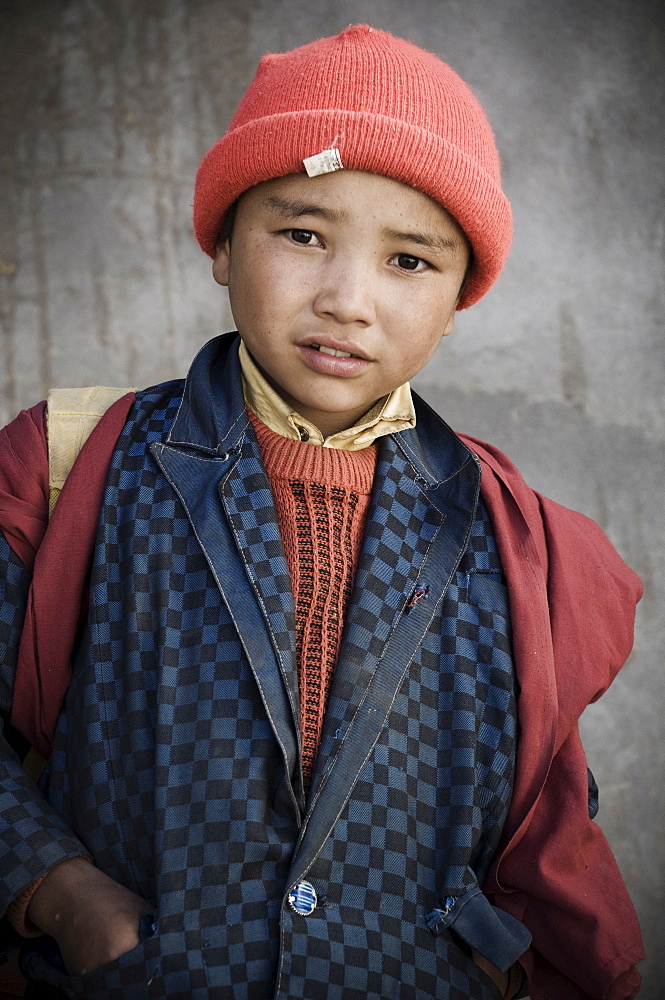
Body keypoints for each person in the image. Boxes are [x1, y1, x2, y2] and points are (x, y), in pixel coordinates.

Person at [0, 24, 644, 1000]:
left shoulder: (521, 542)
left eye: (409, 262)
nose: (347, 299)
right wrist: (56, 886)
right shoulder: (67, 466)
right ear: (221, 240)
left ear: (457, 298)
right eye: (301, 235)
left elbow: (543, 824)